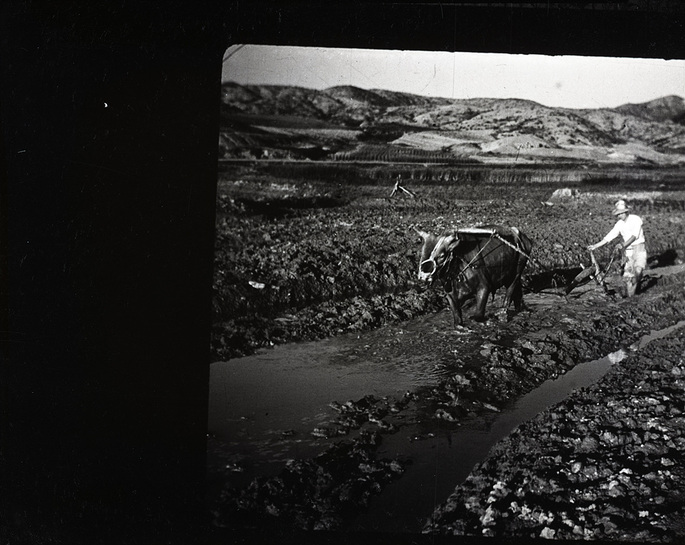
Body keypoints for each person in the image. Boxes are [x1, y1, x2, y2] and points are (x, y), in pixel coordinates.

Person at [588, 199, 646, 297]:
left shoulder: (636, 219)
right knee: (628, 277)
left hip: (639, 249)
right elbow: (609, 236)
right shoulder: (619, 224)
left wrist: (623, 245)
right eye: (618, 214)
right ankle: (631, 298)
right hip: (628, 252)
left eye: (621, 213)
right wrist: (595, 246)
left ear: (626, 212)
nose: (619, 216)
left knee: (637, 273)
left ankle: (636, 288)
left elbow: (634, 236)